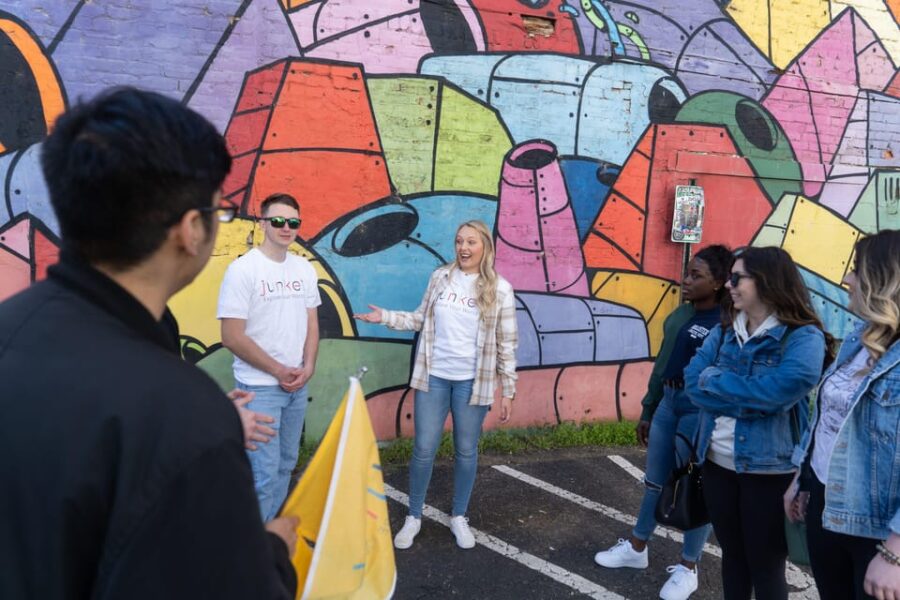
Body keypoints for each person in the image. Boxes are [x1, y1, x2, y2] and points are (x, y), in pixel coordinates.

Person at [0, 88, 298, 599]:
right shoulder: (185, 417)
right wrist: (270, 552)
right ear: (189, 230)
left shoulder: (13, 325)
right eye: (218, 212)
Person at [354, 220, 517, 550]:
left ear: (485, 246)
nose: (463, 248)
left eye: (471, 242)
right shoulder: (441, 277)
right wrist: (384, 317)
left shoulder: (500, 289)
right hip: (434, 377)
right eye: (459, 241)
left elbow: (507, 343)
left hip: (473, 383)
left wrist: (509, 389)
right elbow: (419, 318)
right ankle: (414, 516)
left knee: (466, 451)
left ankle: (459, 516)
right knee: (424, 449)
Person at [684, 246, 831, 600]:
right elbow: (692, 381)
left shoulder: (802, 337)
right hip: (717, 464)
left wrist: (717, 383)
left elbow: (778, 393)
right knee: (733, 558)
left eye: (737, 278)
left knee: (765, 566)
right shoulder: (725, 329)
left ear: (765, 281)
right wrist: (751, 398)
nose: (729, 286)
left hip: (769, 473)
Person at [594, 245, 733, 600]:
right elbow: (662, 364)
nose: (686, 281)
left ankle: (689, 568)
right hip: (669, 403)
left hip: (698, 407)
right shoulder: (680, 314)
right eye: (687, 273)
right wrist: (649, 407)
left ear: (718, 282)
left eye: (696, 276)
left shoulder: (725, 323)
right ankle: (636, 548)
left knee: (692, 485)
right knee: (655, 482)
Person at [785, 230, 900, 600]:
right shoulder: (859, 337)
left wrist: (895, 552)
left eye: (856, 270)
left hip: (878, 532)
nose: (846, 280)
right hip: (826, 507)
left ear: (885, 280)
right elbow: (827, 418)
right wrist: (802, 479)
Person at [218, 193, 321, 522]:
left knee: (285, 466)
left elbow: (312, 324)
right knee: (262, 475)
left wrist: (308, 367)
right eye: (278, 221)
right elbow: (232, 336)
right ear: (263, 223)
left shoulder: (304, 268)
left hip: (296, 387)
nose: (286, 227)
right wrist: (278, 371)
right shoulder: (242, 270)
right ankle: (251, 556)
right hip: (259, 388)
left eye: (293, 222)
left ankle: (267, 541)